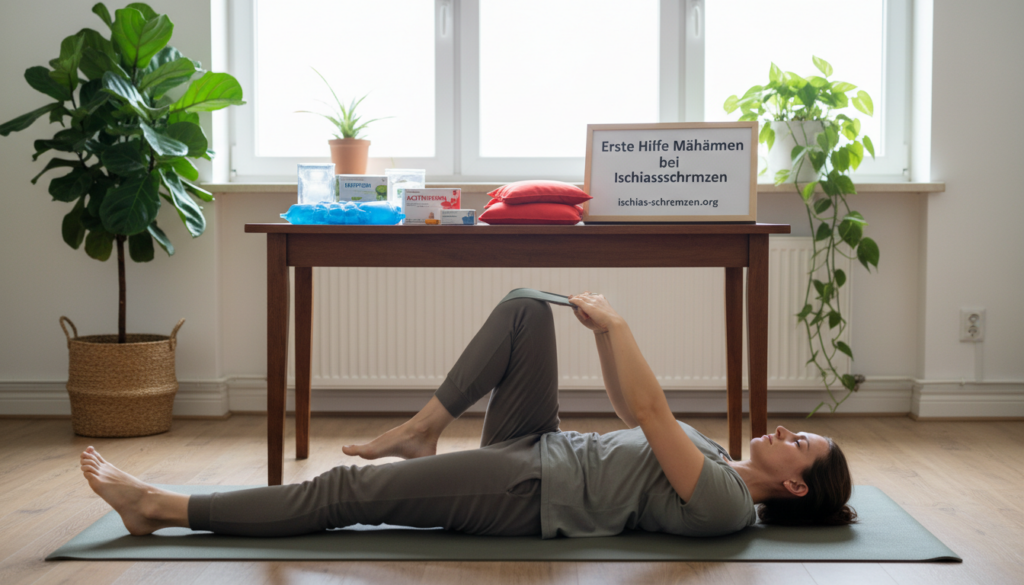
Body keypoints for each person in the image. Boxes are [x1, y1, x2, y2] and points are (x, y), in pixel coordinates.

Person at [80, 291, 856, 538]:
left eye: (802, 442)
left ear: (794, 486)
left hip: (529, 491)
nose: (787, 430)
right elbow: (628, 408)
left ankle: (161, 506)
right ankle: (424, 426)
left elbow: (651, 411)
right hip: (541, 445)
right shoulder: (719, 460)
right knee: (525, 309)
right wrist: (599, 338)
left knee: (348, 494)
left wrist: (620, 326)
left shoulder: (727, 504)